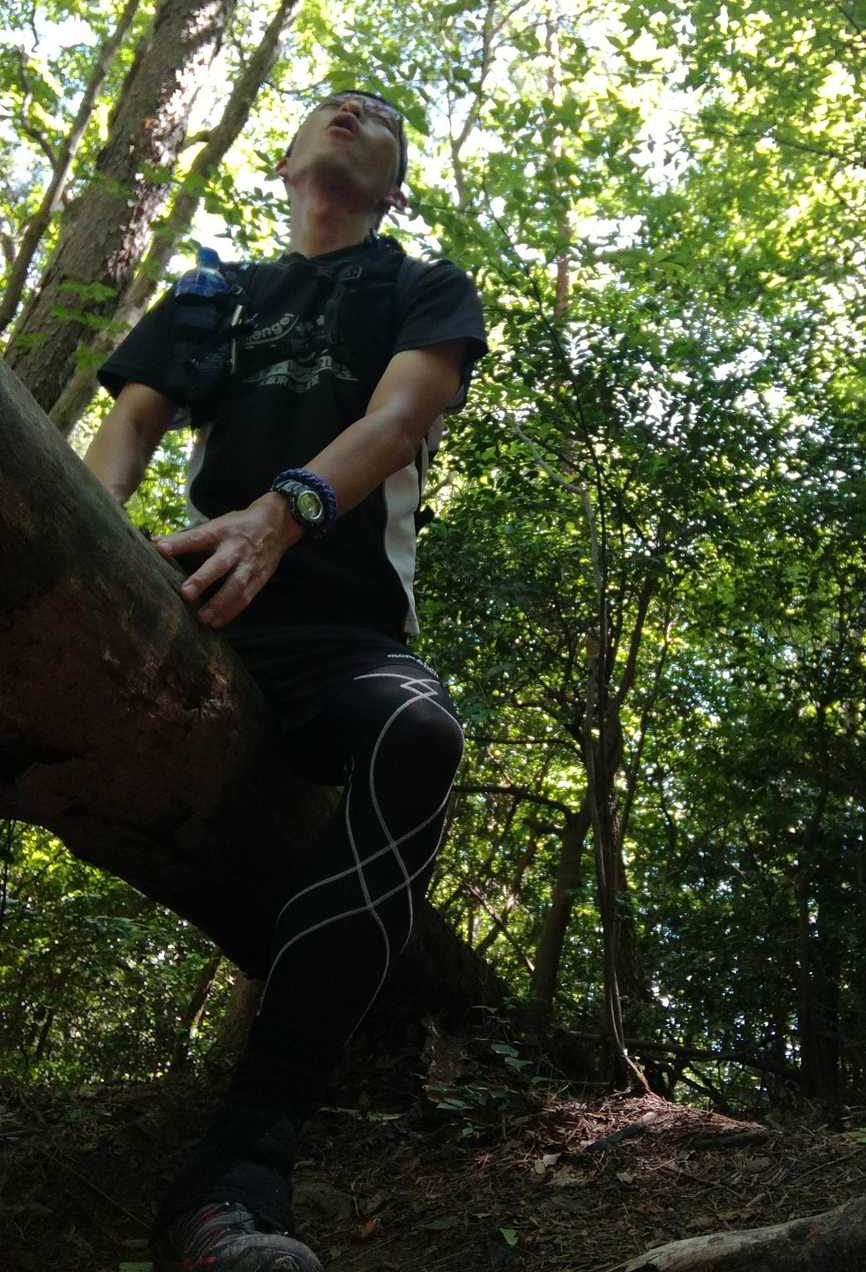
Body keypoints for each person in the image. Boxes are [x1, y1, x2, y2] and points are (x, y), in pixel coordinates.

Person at [83, 88, 486, 1272]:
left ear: (395, 186)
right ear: (287, 159)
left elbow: (402, 417)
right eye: (331, 106)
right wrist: (79, 561)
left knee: (420, 736)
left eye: (378, 116)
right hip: (194, 605)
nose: (352, 111)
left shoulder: (420, 284)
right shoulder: (215, 292)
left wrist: (286, 512)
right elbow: (125, 439)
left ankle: (237, 1178)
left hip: (343, 633)